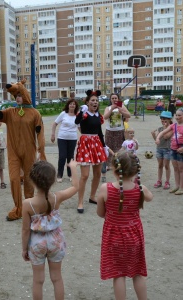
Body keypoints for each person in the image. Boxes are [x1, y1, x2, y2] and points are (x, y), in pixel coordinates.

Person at [0, 78, 46, 221]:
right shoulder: (10, 112)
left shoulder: (35, 113)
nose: (17, 98)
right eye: (15, 96)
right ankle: (18, 208)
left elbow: (40, 132)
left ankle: (29, 206)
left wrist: (41, 150)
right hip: (13, 152)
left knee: (29, 180)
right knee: (13, 179)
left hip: (29, 152)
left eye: (19, 95)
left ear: (24, 95)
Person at [97, 151, 153, 300]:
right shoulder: (139, 188)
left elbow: (101, 213)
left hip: (113, 237)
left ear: (115, 170)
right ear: (135, 171)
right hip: (134, 236)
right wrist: (138, 184)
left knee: (118, 274)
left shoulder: (105, 189)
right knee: (137, 273)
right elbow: (150, 197)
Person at [22, 160, 79, 300]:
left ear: (33, 181)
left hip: (37, 243)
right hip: (56, 241)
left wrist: (24, 249)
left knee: (37, 280)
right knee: (57, 278)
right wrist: (73, 168)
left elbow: (25, 230)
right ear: (52, 180)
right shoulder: (57, 197)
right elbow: (76, 187)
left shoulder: (27, 204)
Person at [75, 90, 107, 213]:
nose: (95, 102)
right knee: (85, 175)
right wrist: (82, 111)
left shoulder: (98, 116)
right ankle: (80, 202)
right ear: (87, 102)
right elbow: (76, 122)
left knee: (98, 173)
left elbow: (99, 132)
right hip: (85, 143)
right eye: (92, 100)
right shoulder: (84, 114)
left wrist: (104, 147)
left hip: (97, 144)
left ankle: (92, 196)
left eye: (96, 101)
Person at [156, 107, 183, 195]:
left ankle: (181, 188)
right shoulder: (173, 126)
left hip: (181, 149)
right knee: (175, 168)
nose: (177, 117)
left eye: (180, 115)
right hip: (173, 149)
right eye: (176, 115)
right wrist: (157, 138)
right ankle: (177, 186)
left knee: (181, 169)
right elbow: (162, 133)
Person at [51, 99, 79, 182]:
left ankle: (70, 174)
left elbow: (80, 127)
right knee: (62, 156)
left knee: (70, 157)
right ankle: (59, 175)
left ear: (75, 106)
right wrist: (53, 134)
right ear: (68, 105)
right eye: (70, 104)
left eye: (74, 104)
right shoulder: (63, 114)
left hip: (72, 138)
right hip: (62, 138)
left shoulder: (77, 116)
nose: (72, 105)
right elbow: (55, 123)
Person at [103, 93, 131, 168]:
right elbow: (105, 117)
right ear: (110, 99)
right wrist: (111, 109)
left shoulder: (121, 106)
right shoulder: (108, 108)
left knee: (119, 148)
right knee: (109, 147)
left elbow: (129, 115)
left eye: (116, 98)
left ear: (118, 99)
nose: (114, 100)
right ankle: (108, 165)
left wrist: (121, 111)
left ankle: (119, 164)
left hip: (120, 130)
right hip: (109, 131)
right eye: (113, 98)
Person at [151, 111, 172, 189]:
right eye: (162, 118)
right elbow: (157, 141)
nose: (163, 120)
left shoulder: (171, 128)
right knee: (160, 165)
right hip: (159, 149)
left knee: (166, 165)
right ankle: (159, 180)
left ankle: (167, 181)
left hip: (167, 149)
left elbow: (166, 137)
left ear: (169, 119)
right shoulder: (160, 128)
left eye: (165, 118)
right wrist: (154, 135)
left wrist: (165, 128)